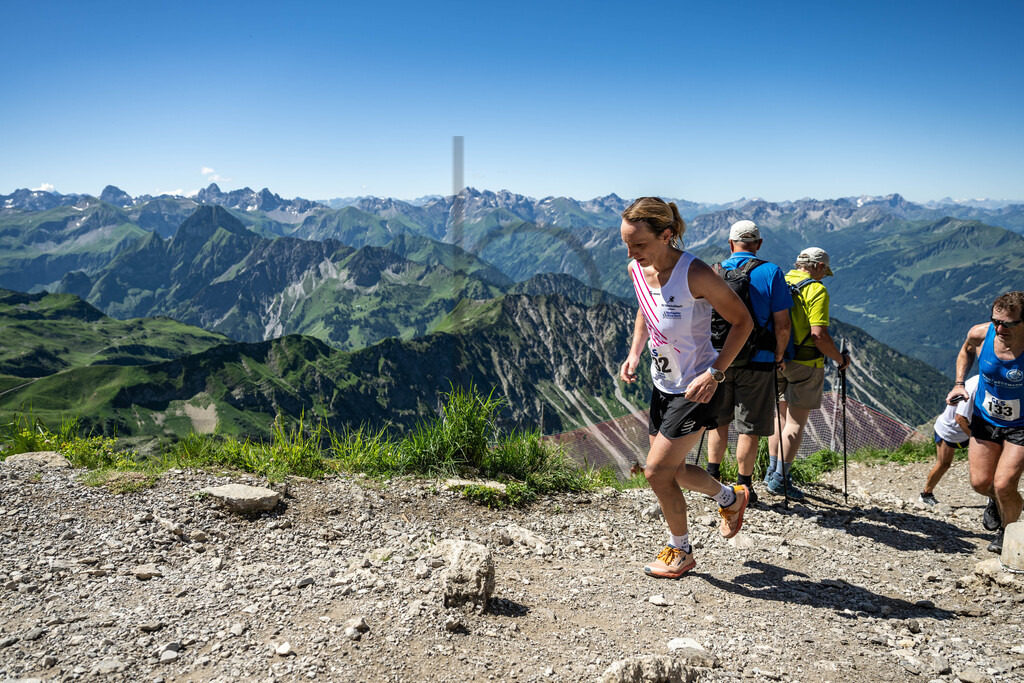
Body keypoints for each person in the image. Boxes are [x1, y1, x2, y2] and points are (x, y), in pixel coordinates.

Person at [619, 196, 754, 579]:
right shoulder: (637, 268)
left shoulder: (695, 273)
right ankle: (731, 497)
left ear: (666, 235)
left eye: (639, 244)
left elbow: (742, 322)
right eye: (627, 244)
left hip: (697, 387)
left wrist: (715, 372)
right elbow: (646, 309)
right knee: (674, 471)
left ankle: (681, 550)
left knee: (656, 472)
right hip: (662, 382)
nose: (631, 252)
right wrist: (634, 353)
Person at [705, 220, 791, 506]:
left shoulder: (715, 271)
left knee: (718, 424)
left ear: (730, 245)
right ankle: (743, 486)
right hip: (759, 360)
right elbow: (782, 325)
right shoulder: (772, 272)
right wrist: (778, 354)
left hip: (719, 360)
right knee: (749, 428)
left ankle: (712, 481)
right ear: (759, 244)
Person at [766, 247, 850, 498]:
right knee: (795, 422)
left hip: (776, 357)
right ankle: (781, 479)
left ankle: (771, 471)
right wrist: (839, 358)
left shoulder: (778, 281)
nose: (824, 276)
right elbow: (818, 335)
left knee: (779, 418)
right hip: (806, 363)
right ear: (819, 267)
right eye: (824, 271)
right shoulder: (816, 290)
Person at [947, 291, 1024, 553]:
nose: (1000, 328)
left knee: (1004, 484)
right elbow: (966, 350)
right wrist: (959, 383)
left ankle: (1008, 532)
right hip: (985, 417)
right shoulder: (981, 333)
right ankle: (996, 500)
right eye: (996, 321)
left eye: (1009, 323)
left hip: (1020, 425)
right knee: (981, 483)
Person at [921, 376, 978, 505]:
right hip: (949, 431)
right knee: (943, 464)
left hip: (965, 430)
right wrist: (976, 440)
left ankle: (994, 496)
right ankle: (926, 494)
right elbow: (960, 418)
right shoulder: (974, 387)